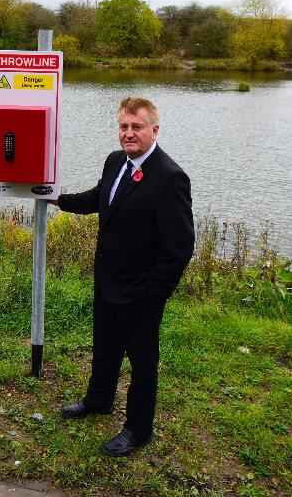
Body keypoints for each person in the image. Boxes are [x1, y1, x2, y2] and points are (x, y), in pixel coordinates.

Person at [54, 96, 194, 456]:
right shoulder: (117, 161)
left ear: (153, 130)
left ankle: (138, 429)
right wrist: (57, 199)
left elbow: (179, 247)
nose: (128, 133)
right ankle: (98, 400)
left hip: (141, 293)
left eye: (137, 127)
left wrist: (154, 293)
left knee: (143, 364)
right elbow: (100, 198)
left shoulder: (170, 177)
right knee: (105, 348)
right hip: (107, 281)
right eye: (123, 127)